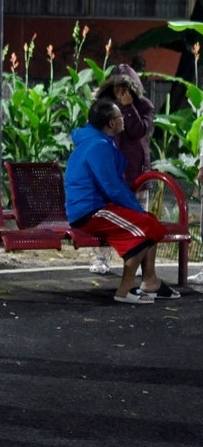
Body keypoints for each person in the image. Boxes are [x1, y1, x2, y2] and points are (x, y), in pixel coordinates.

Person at [65, 98, 180, 304]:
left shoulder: (100, 142)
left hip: (97, 208)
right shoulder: (97, 146)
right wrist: (135, 209)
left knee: (150, 221)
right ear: (111, 123)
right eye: (121, 117)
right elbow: (113, 187)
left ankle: (150, 281)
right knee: (144, 225)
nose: (124, 120)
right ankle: (125, 289)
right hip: (89, 212)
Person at [89, 66, 154, 275]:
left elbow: (138, 131)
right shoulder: (102, 107)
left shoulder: (144, 106)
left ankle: (133, 260)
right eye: (117, 89)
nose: (120, 93)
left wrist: (128, 107)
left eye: (125, 89)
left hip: (137, 173)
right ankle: (101, 258)